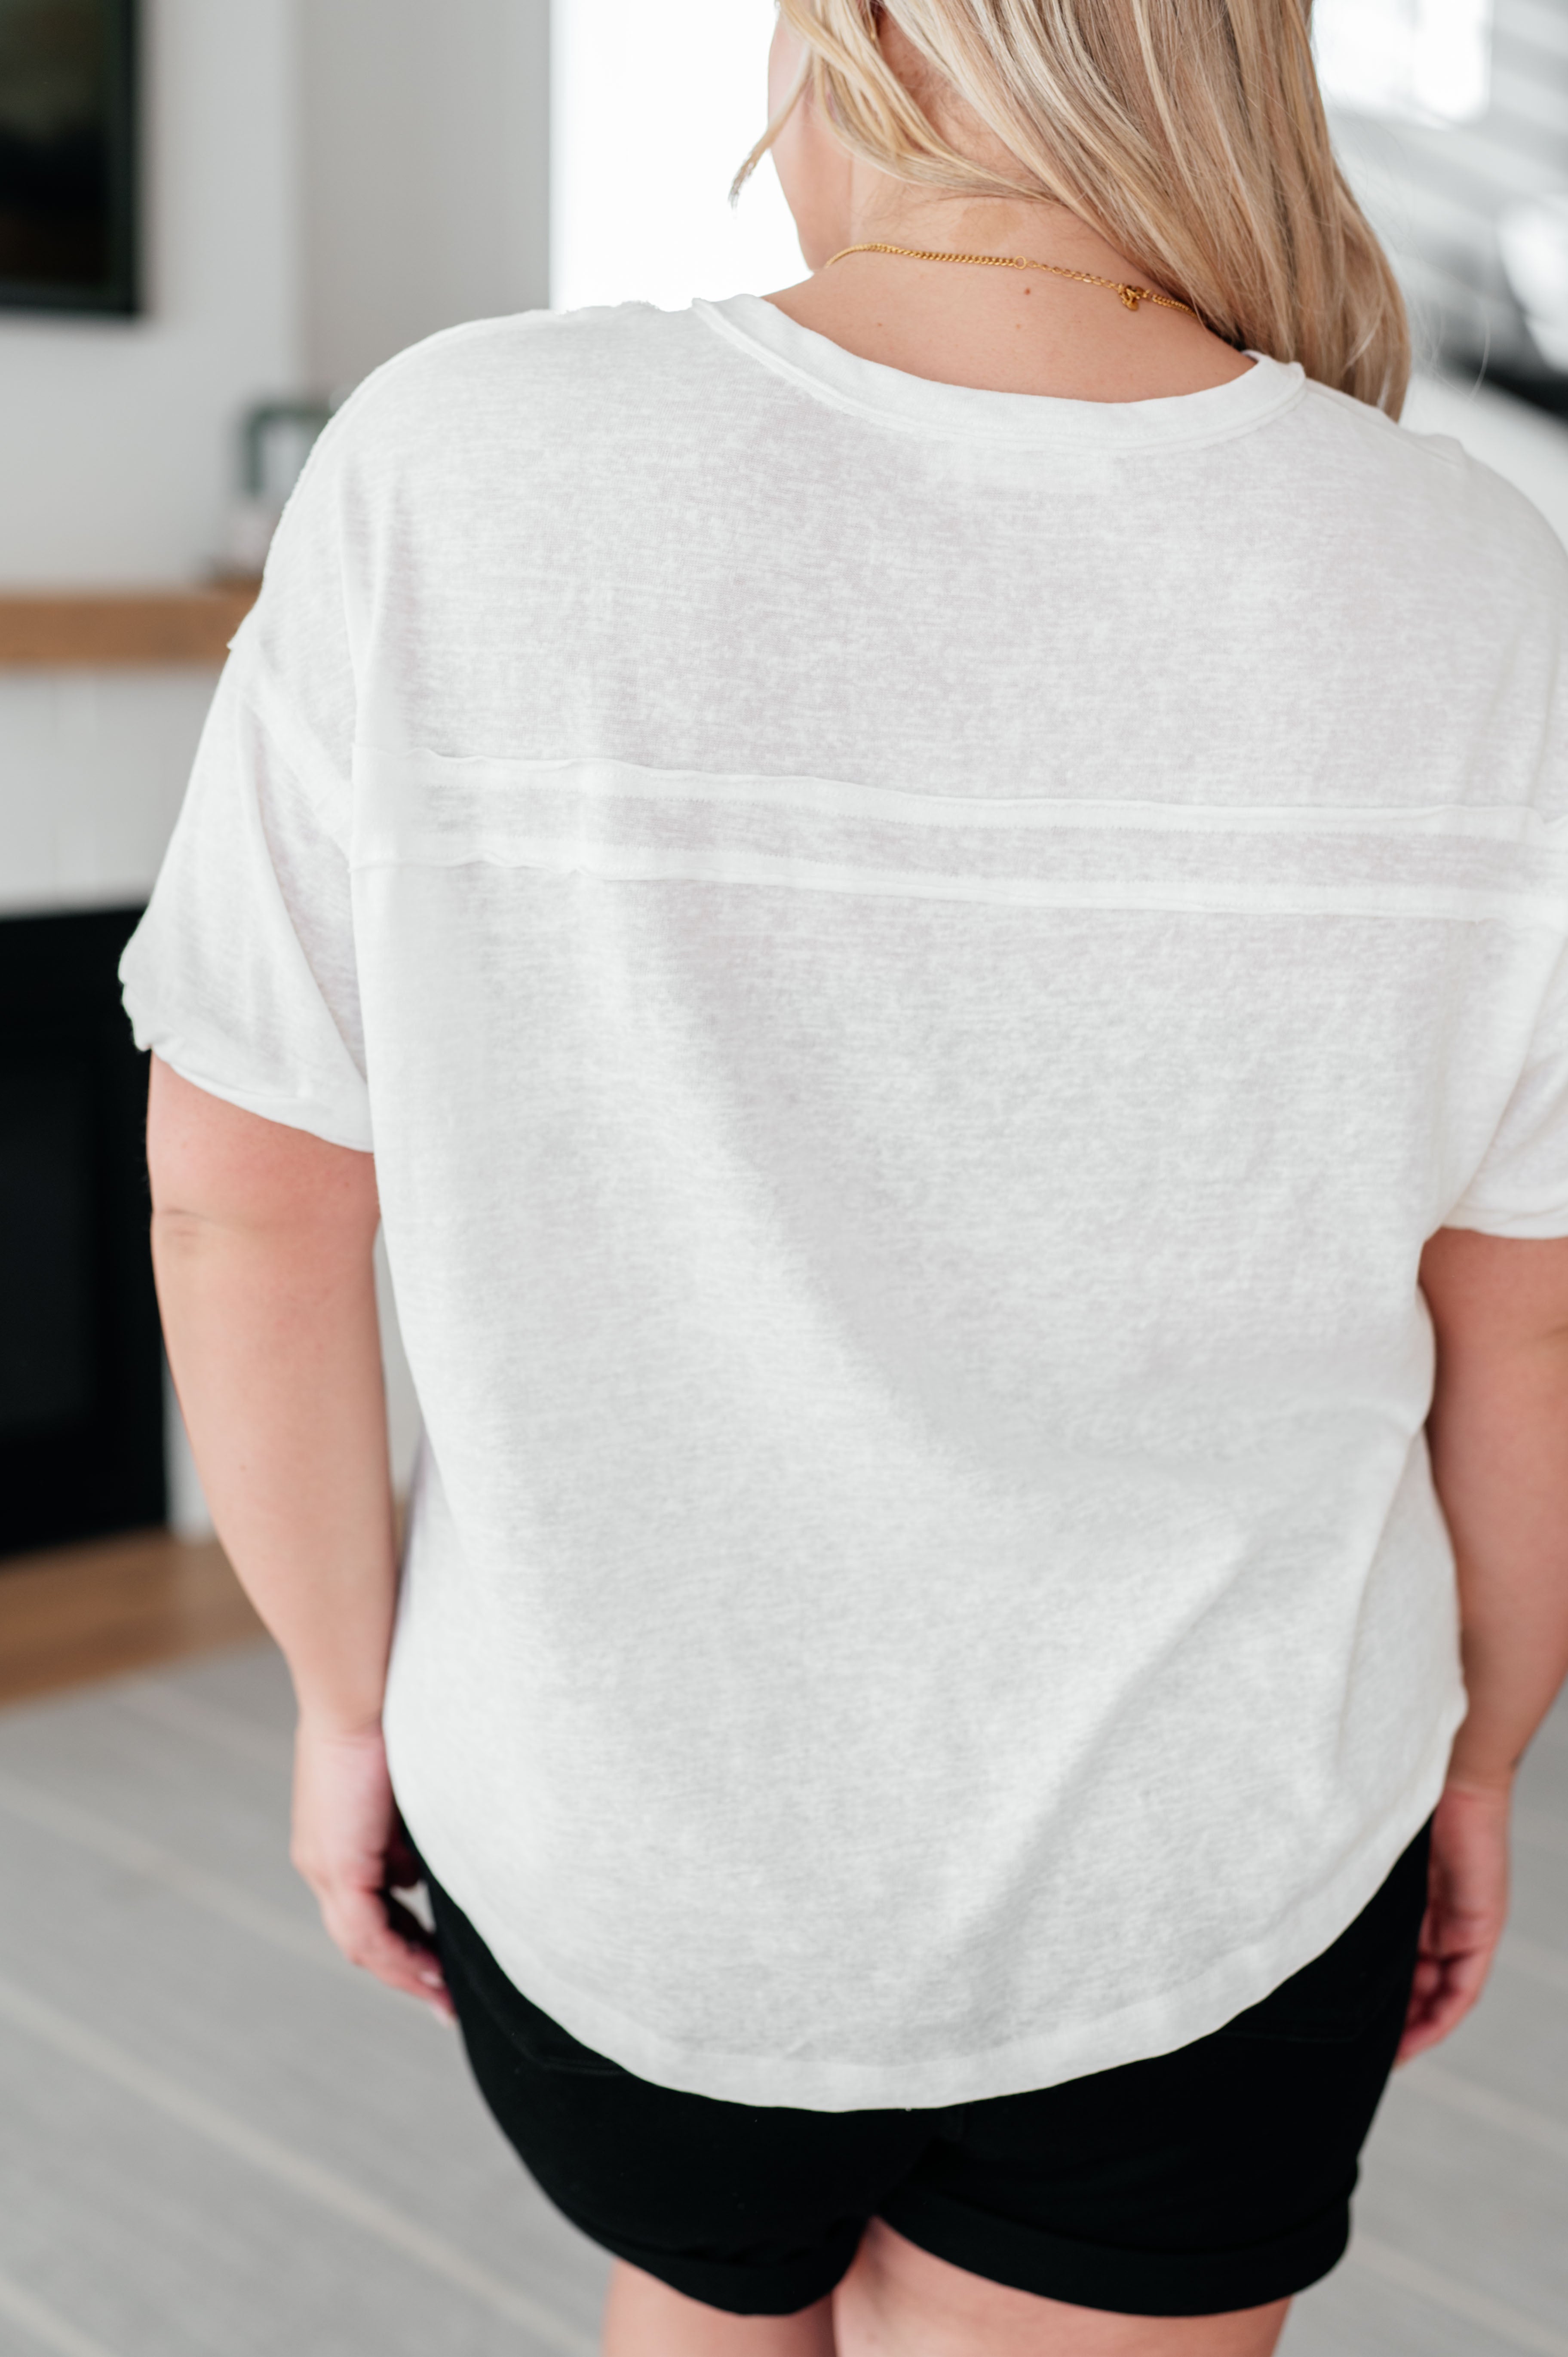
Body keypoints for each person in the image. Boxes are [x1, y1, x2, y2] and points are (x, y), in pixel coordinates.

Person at [123, 2, 1568, 2351]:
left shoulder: (465, 461)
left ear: (875, 25)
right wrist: (1482, 1753)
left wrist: (344, 1699)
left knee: (695, 2307)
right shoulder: (1484, 578)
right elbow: (1531, 1308)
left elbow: (243, 1196)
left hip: (616, 1847)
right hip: (1218, 1853)